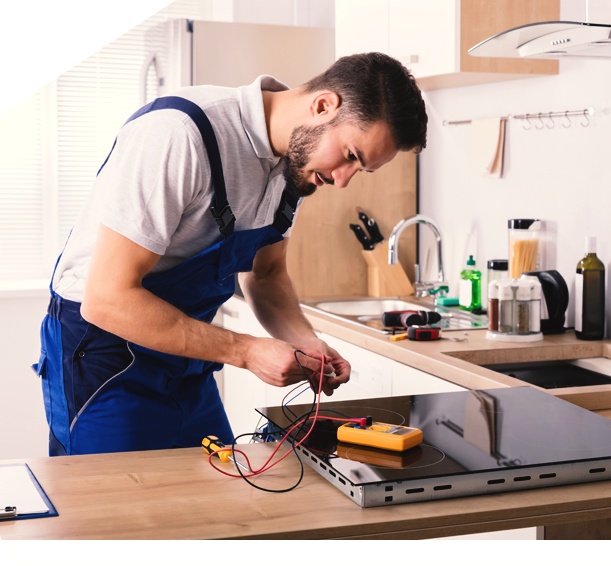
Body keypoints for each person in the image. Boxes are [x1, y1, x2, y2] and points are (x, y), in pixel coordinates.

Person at [32, 52, 429, 456]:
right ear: (323, 106)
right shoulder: (179, 134)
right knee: (115, 515)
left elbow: (267, 275)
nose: (343, 181)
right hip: (105, 359)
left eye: (361, 170)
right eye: (351, 156)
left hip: (186, 364)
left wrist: (307, 343)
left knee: (219, 501)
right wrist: (246, 351)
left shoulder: (295, 165)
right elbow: (107, 300)